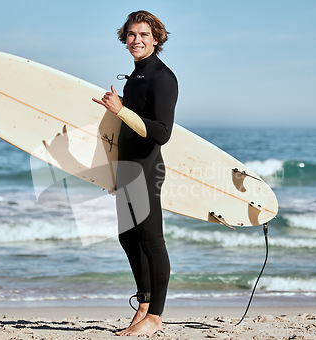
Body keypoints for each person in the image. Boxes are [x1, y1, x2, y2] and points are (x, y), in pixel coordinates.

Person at [93, 10, 178, 336]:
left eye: (143, 35)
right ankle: (143, 303)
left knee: (152, 240)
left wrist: (121, 109)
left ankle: (155, 316)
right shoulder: (137, 76)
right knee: (128, 237)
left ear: (156, 38)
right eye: (131, 34)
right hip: (127, 170)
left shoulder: (162, 78)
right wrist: (114, 171)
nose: (136, 40)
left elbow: (160, 132)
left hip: (146, 170)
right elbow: (124, 132)